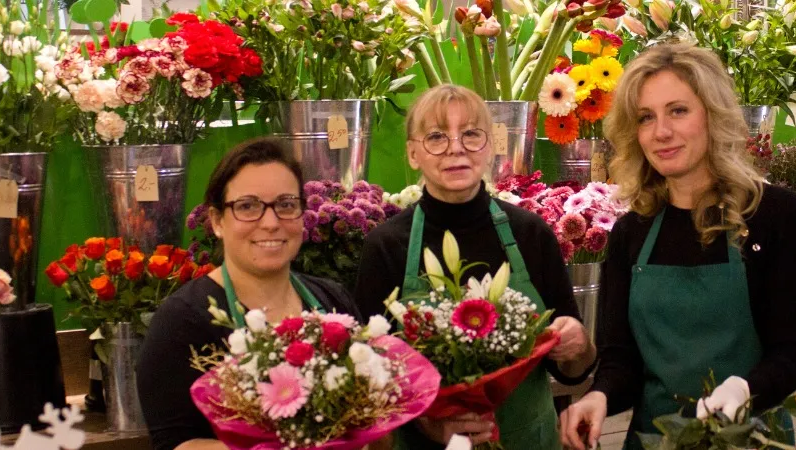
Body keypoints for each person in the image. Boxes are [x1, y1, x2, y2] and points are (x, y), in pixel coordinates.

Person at [558, 43, 796, 450]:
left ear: (712, 117)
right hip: (653, 441)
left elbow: (791, 354)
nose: (661, 132)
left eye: (678, 110)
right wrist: (599, 396)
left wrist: (742, 392)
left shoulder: (775, 217)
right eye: (646, 118)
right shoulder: (631, 232)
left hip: (751, 440)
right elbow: (620, 361)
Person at [354, 84, 598, 449]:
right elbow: (368, 377)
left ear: (490, 147)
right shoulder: (388, 246)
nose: (455, 147)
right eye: (436, 136)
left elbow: (570, 369)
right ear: (412, 154)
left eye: (470, 134)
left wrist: (580, 348)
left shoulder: (530, 234)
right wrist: (429, 424)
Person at [138, 138, 361, 450]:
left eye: (285, 205)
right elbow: (176, 444)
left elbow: (370, 419)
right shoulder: (181, 323)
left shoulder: (332, 300)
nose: (270, 223)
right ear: (217, 221)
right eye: (247, 206)